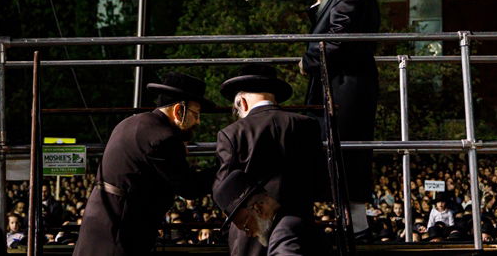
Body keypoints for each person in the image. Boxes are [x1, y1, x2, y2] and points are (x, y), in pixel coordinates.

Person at [73, 72, 215, 256]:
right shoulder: (163, 138)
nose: (198, 121)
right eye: (196, 114)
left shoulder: (132, 122)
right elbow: (189, 187)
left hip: (102, 220)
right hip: (121, 229)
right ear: (179, 111)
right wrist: (222, 168)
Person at [297, 0, 379, 239]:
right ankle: (354, 225)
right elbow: (333, 31)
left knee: (343, 150)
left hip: (345, 85)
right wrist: (320, 3)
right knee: (341, 151)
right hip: (346, 84)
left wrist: (308, 63)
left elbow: (337, 40)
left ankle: (356, 227)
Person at [213, 64, 327, 255]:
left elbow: (223, 189)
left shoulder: (232, 133)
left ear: (242, 102)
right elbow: (319, 180)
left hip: (250, 231)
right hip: (297, 221)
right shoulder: (308, 125)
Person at [214, 170, 325, 256]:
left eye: (246, 227)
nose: (249, 234)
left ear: (257, 209)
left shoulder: (283, 233)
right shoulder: (289, 220)